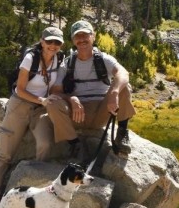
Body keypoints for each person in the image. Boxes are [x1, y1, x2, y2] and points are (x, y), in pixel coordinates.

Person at [0, 26, 65, 208]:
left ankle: (36, 193)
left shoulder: (59, 60)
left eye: (57, 42)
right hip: (20, 106)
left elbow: (56, 86)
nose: (53, 46)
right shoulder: (31, 58)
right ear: (42, 41)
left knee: (45, 144)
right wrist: (42, 100)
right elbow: (20, 89)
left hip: (40, 110)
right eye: (49, 41)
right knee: (4, 155)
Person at [45, 20, 136, 161]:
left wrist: (114, 93)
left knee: (124, 87)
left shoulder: (103, 59)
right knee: (52, 103)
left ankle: (122, 134)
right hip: (77, 114)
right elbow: (55, 92)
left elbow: (123, 73)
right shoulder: (67, 64)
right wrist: (71, 99)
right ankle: (75, 144)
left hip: (102, 111)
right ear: (73, 40)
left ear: (93, 36)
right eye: (77, 36)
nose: (81, 39)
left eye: (85, 35)